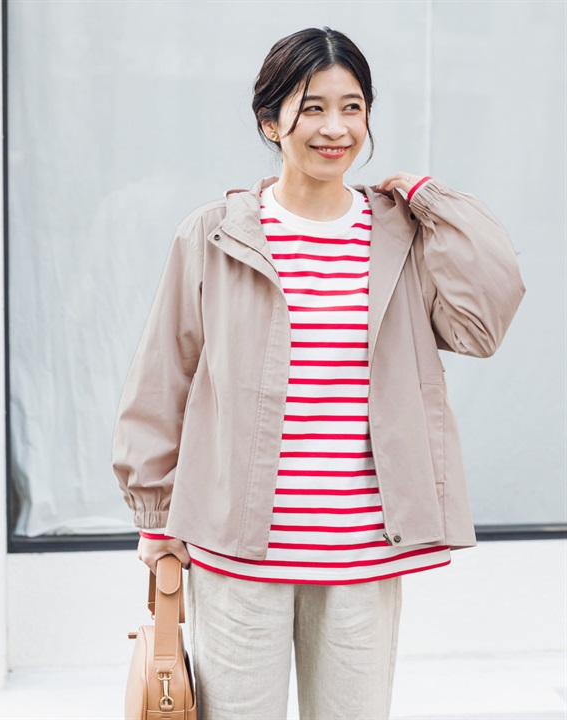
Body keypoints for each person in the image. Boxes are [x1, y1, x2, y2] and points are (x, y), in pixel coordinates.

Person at [112, 26, 525, 720]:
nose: (336, 128)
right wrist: (155, 518)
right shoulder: (214, 235)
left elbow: (483, 323)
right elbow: (163, 380)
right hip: (237, 553)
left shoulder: (401, 237)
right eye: (313, 108)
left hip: (363, 552)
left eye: (353, 107)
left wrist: (434, 200)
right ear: (270, 122)